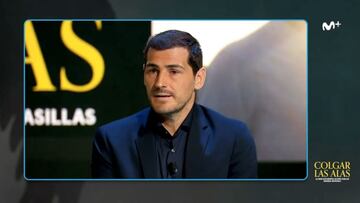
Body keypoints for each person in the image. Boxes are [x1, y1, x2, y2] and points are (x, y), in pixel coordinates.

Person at [91, 30, 257, 179]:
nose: (160, 83)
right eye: (153, 70)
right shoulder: (112, 140)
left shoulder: (233, 138)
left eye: (174, 71)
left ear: (198, 79)